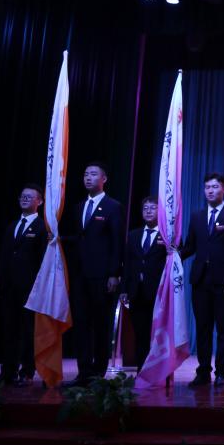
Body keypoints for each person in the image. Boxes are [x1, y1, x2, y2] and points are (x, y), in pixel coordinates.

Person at [181, 172, 224, 387]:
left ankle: (221, 372)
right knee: (203, 327)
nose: (210, 191)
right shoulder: (197, 216)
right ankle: (203, 372)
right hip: (200, 279)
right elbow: (190, 246)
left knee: (223, 329)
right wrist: (174, 254)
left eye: (215, 187)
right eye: (207, 187)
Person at [62, 162, 125, 385]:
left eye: (93, 174)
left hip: (102, 275)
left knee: (100, 324)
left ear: (104, 179)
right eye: (85, 174)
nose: (88, 178)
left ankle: (98, 372)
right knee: (81, 323)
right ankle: (83, 372)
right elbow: (79, 238)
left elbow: (117, 242)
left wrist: (114, 273)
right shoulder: (78, 206)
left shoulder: (113, 206)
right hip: (80, 275)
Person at [0, 184, 48, 386]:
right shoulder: (12, 226)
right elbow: (2, 257)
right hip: (9, 287)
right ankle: (8, 371)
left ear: (39, 201)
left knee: (28, 331)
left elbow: (43, 260)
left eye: (29, 197)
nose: (24, 199)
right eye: (22, 196)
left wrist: (40, 287)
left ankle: (27, 371)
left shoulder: (42, 227)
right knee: (9, 330)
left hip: (30, 288)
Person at [119, 196, 166, 371]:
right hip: (136, 291)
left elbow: (176, 258)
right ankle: (142, 370)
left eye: (152, 208)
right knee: (140, 333)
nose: (148, 211)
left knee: (158, 334)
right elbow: (127, 263)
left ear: (160, 212)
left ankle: (158, 370)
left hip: (158, 292)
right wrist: (124, 289)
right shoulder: (133, 235)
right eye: (145, 208)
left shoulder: (167, 235)